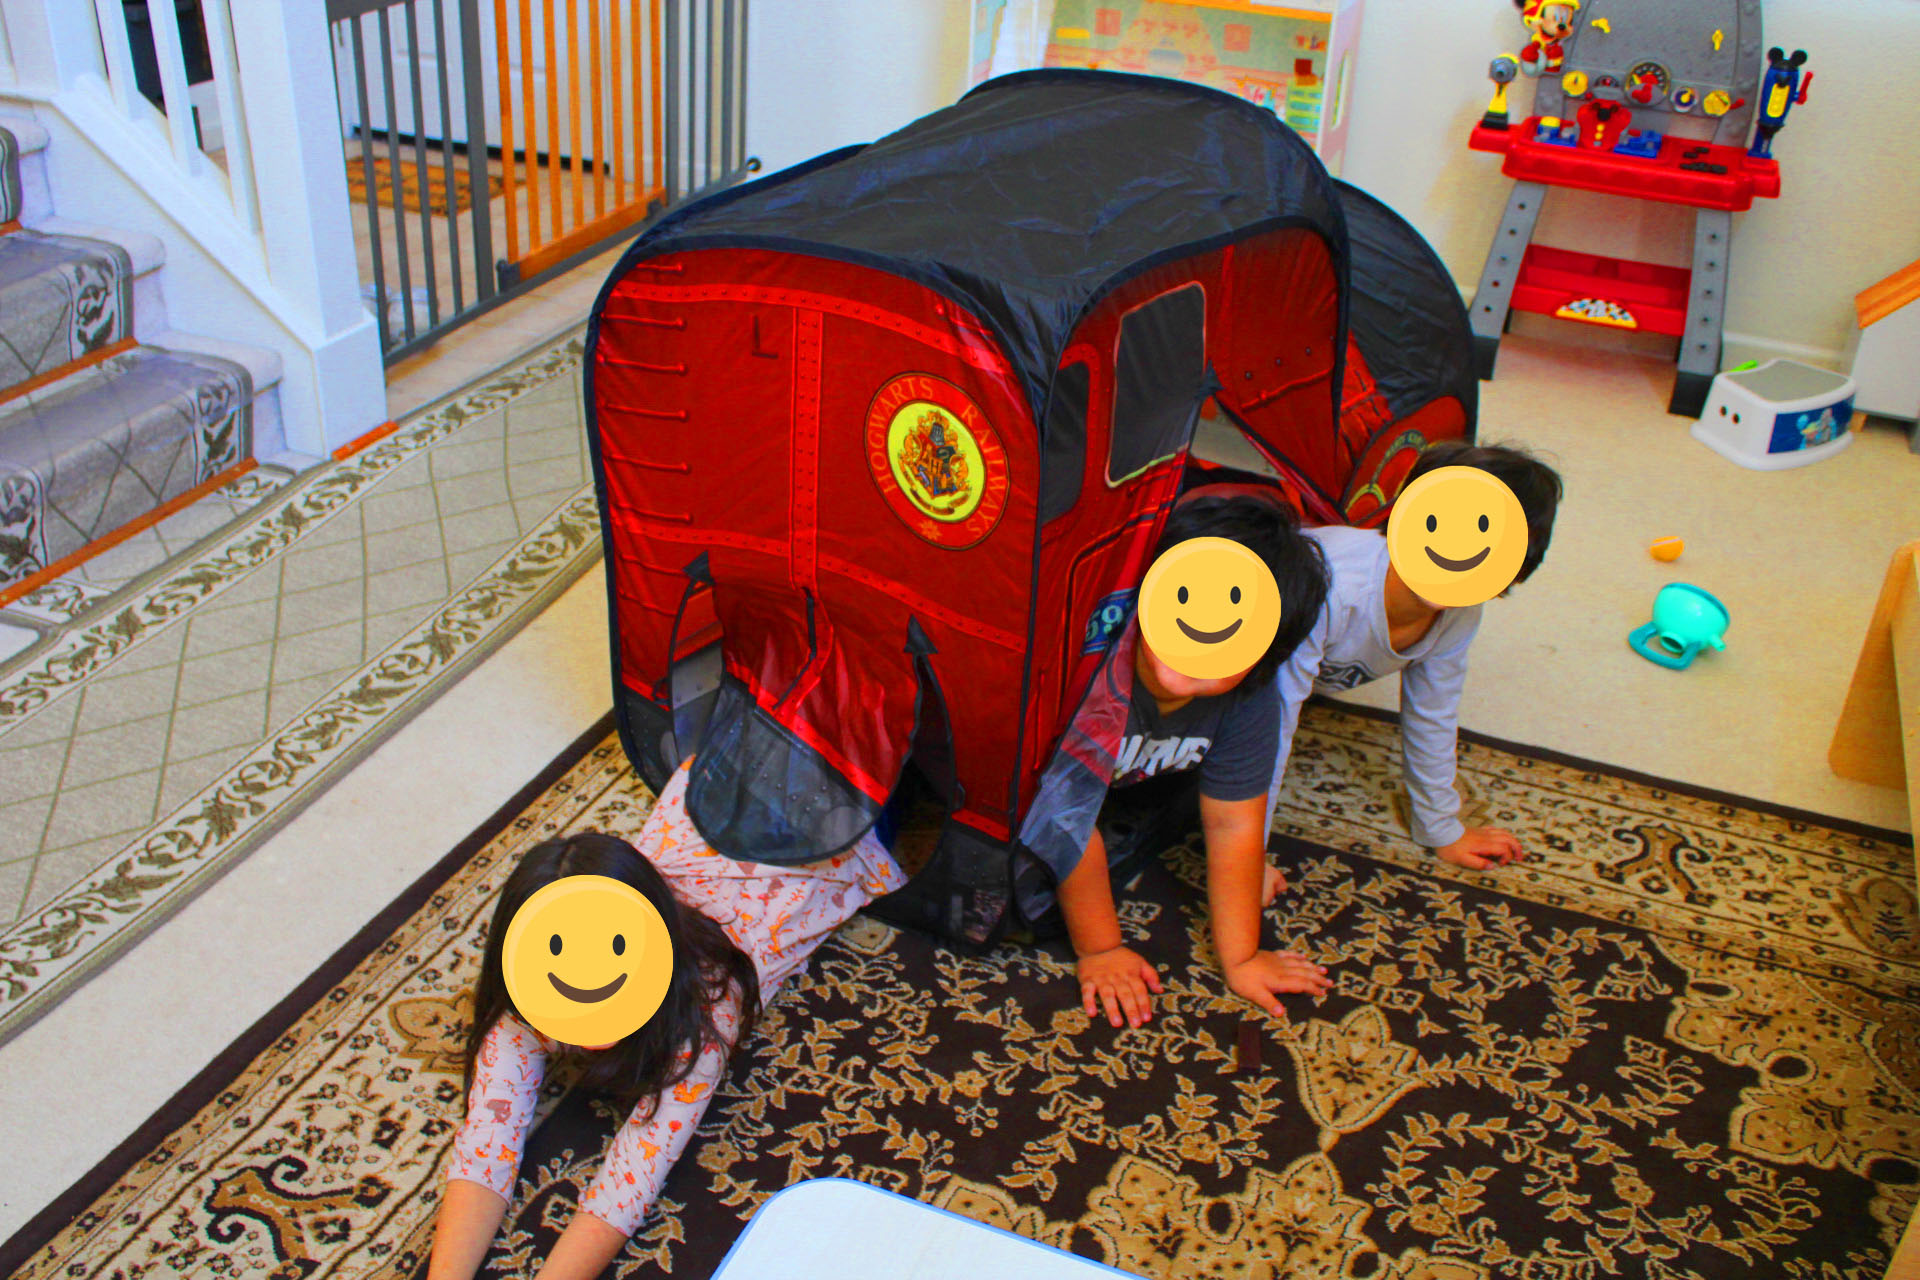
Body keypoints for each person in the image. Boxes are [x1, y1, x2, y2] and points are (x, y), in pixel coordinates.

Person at [428, 773, 905, 1280]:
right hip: (727, 782)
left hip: (846, 821)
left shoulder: (706, 1001)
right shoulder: (529, 989)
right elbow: (485, 1147)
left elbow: (627, 1184)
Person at [1052, 493, 1335, 1031]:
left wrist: (1243, 958)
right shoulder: (1089, 669)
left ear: (1264, 656)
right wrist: (1101, 948)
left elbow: (1235, 825)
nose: (1199, 633)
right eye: (1185, 600)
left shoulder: (1251, 700)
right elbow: (1064, 816)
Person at [1271, 440, 1564, 873]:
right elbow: (1272, 718)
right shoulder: (1333, 589)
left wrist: (1441, 828)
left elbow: (1434, 712)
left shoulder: (1460, 611)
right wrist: (1243, 855)